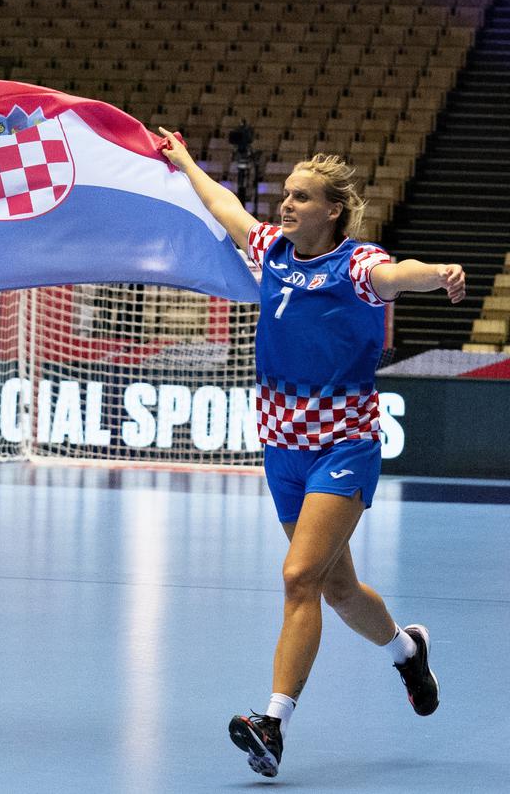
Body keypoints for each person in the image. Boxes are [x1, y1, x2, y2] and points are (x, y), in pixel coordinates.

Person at [158, 129, 461, 778]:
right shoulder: (270, 251)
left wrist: (437, 275)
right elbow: (225, 209)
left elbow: (395, 275)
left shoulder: (355, 265)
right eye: (286, 194)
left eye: (301, 197)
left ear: (332, 211)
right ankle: (408, 649)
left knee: (299, 577)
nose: (286, 205)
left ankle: (272, 723)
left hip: (343, 445)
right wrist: (183, 159)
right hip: (282, 448)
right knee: (339, 588)